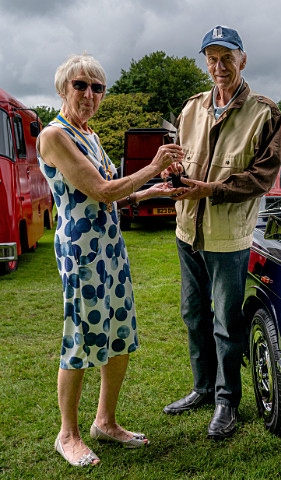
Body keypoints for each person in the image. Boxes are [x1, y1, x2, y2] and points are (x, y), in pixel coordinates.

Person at [37, 53, 184, 467]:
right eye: (80, 85)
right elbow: (101, 190)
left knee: (119, 336)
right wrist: (154, 163)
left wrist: (155, 190)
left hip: (111, 248)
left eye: (97, 87)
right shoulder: (55, 136)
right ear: (63, 88)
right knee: (81, 340)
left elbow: (115, 193)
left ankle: (106, 421)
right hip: (82, 252)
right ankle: (67, 435)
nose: (89, 94)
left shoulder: (91, 135)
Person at [161, 25, 281, 440]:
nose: (219, 66)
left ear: (242, 59)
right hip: (187, 231)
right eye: (212, 58)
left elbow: (261, 178)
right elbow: (179, 156)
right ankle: (201, 388)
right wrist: (172, 171)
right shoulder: (191, 108)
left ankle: (227, 401)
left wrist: (210, 189)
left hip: (228, 239)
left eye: (226, 58)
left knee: (227, 323)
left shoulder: (264, 113)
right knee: (194, 315)